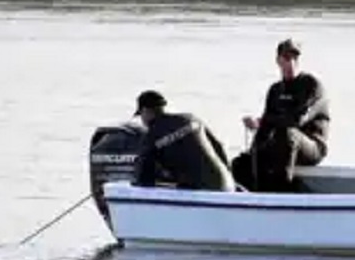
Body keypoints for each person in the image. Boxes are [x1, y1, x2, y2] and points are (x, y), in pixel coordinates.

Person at [233, 38, 330, 192]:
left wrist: (263, 121)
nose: (291, 63)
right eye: (286, 58)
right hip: (283, 143)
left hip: (312, 146)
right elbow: (265, 126)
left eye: (294, 58)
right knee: (241, 162)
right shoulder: (275, 90)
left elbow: (297, 120)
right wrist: (253, 152)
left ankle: (283, 191)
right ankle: (251, 194)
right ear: (278, 61)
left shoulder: (311, 85)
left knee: (288, 133)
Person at [130, 89, 235, 192]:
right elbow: (219, 147)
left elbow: (142, 176)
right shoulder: (191, 119)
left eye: (141, 115)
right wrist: (230, 180)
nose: (142, 120)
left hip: (201, 192)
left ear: (145, 111)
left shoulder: (151, 136)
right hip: (227, 186)